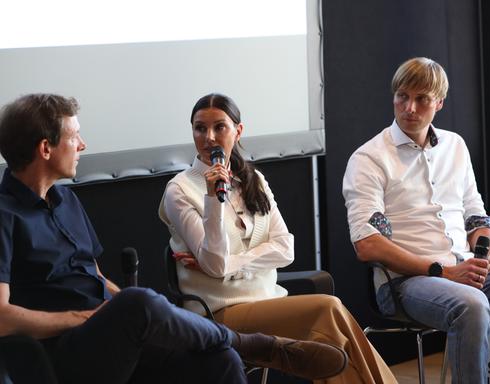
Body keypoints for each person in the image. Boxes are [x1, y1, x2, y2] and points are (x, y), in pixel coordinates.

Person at [0, 93, 348, 384]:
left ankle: (238, 345)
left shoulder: (66, 201)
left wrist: (124, 311)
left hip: (112, 334)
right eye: (74, 137)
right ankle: (253, 343)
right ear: (46, 148)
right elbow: (2, 317)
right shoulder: (4, 215)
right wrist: (85, 318)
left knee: (220, 359)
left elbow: (94, 275)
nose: (83, 145)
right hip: (63, 353)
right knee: (137, 301)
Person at [158, 92, 398, 384]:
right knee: (328, 308)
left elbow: (286, 249)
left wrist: (235, 263)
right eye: (199, 128)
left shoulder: (253, 180)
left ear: (238, 131)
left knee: (331, 334)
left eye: (219, 127)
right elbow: (215, 265)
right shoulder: (179, 190)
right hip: (218, 313)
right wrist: (213, 200)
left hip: (269, 301)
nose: (209, 137)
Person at [343, 57, 490, 383]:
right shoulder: (369, 159)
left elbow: (476, 216)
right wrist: (445, 271)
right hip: (405, 283)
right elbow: (367, 245)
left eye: (421, 99)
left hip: (465, 269)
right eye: (402, 96)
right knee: (473, 306)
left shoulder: (455, 146)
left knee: (474, 297)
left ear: (439, 102)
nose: (409, 107)